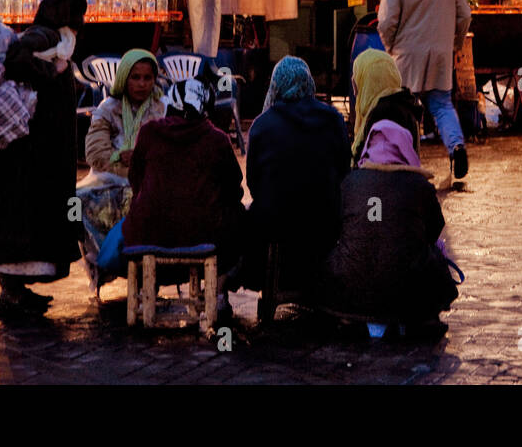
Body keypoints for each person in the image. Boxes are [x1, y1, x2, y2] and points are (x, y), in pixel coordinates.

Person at [0, 0, 86, 322]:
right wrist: (54, 72)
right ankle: (11, 292)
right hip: (29, 148)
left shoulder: (54, 37)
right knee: (23, 213)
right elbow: (17, 61)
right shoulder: (43, 36)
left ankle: (17, 291)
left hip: (43, 148)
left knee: (38, 210)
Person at [124, 74, 245, 323]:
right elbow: (234, 189)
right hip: (204, 235)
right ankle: (219, 295)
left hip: (148, 233)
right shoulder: (217, 139)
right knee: (238, 215)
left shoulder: (148, 133)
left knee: (141, 211)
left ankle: (148, 289)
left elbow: (135, 181)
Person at [321, 120, 457, 329]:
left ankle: (352, 315)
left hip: (351, 295)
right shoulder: (419, 186)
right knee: (435, 256)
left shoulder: (351, 182)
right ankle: (420, 314)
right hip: (405, 292)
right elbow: (433, 231)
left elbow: (338, 227)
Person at [240, 57, 350, 294]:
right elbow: (344, 170)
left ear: (276, 86)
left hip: (275, 221)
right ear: (309, 83)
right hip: (326, 219)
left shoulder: (262, 124)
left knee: (248, 216)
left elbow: (253, 183)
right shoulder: (333, 119)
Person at [378, 0, 472, 180]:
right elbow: (465, 16)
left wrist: (390, 48)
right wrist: (455, 43)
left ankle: (407, 158)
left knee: (405, 108)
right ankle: (456, 147)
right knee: (442, 105)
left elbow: (386, 23)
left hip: (406, 57)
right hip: (441, 54)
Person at [78, 50, 167, 291]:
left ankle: (151, 268)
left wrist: (142, 161)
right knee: (77, 202)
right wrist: (119, 157)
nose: (141, 84)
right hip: (109, 178)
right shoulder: (108, 108)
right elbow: (95, 154)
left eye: (147, 78)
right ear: (124, 79)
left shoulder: (164, 109)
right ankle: (103, 263)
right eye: (135, 77)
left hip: (150, 180)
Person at [351, 48, 423, 163]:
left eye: (358, 78)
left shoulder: (382, 115)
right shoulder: (406, 107)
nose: (355, 92)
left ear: (369, 81)